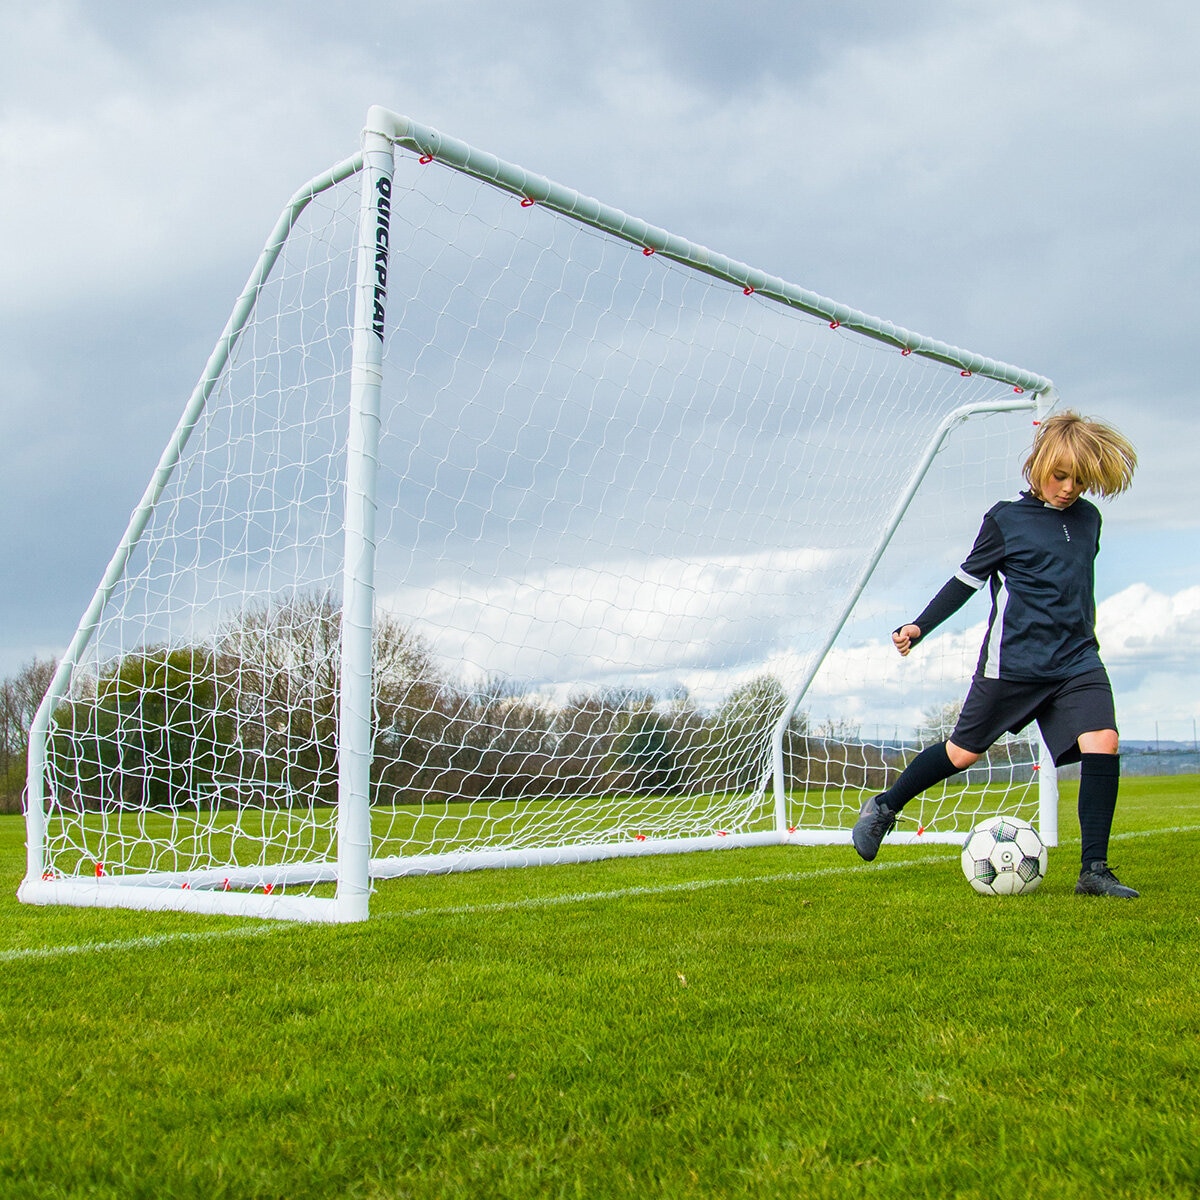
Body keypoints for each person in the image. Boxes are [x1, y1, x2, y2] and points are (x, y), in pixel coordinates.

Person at [852, 410, 1140, 897]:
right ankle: (885, 806)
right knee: (961, 754)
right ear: (1039, 464)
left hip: (1077, 660)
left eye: (1079, 480)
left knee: (1103, 740)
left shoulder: (1089, 519)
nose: (1068, 488)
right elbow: (966, 581)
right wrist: (920, 626)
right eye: (1060, 476)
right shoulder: (1006, 520)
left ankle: (1094, 871)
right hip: (1014, 664)